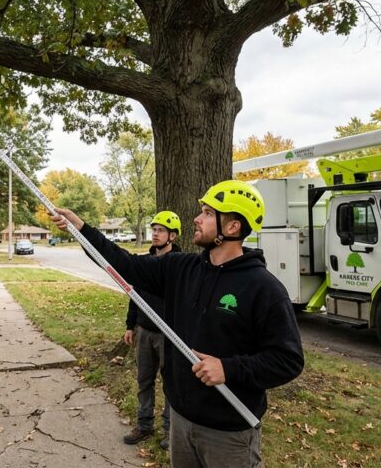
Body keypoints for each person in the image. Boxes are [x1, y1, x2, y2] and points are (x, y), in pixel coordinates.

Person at [51, 180, 304, 468]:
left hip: (230, 430)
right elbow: (126, 264)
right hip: (182, 421)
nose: (197, 218)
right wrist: (81, 229)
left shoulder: (264, 289)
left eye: (208, 213)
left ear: (232, 227)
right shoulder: (181, 268)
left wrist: (228, 368)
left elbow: (288, 360)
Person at [122, 211, 182, 449]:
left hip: (170, 335)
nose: (155, 234)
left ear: (172, 236)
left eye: (160, 230)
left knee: (170, 383)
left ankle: (170, 430)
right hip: (145, 332)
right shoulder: (144, 262)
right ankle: (144, 425)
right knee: (144, 380)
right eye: (153, 229)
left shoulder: (180, 264)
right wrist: (130, 325)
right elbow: (133, 295)